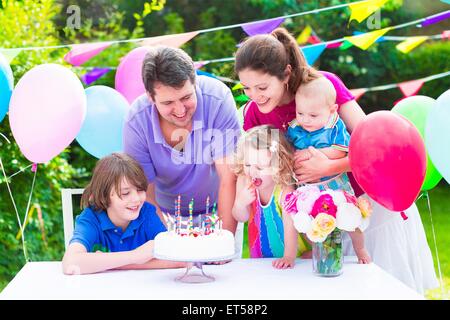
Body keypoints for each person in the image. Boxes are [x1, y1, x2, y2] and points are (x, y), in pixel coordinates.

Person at [234, 27, 438, 293]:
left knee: (380, 287)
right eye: (246, 87)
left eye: (262, 87)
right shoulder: (254, 115)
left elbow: (375, 145)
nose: (254, 95)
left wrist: (331, 166)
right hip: (318, 218)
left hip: (364, 205)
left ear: (285, 74)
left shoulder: (323, 86)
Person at [123, 46, 240, 241]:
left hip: (221, 210)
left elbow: (229, 178)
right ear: (151, 97)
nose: (180, 110)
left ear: (195, 83)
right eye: (168, 103)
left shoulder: (218, 98)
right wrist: (169, 245)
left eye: (186, 97)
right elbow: (145, 197)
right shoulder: (136, 121)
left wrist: (223, 243)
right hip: (164, 216)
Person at [286, 77, 371, 264]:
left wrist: (309, 154)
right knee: (311, 222)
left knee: (350, 219)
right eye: (300, 113)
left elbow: (340, 151)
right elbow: (290, 150)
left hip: (335, 184)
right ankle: (318, 250)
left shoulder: (334, 126)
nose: (305, 120)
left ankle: (360, 249)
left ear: (331, 110)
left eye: (313, 116)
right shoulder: (295, 128)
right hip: (309, 188)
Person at [62, 153, 186, 275]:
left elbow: (179, 259)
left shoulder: (146, 214)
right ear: (104, 197)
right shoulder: (91, 219)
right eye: (125, 193)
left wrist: (109, 263)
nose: (136, 199)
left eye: (140, 190)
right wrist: (135, 256)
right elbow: (70, 263)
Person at [231, 125, 309, 269]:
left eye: (260, 167)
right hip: (259, 256)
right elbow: (241, 217)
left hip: (292, 255)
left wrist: (289, 256)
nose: (252, 171)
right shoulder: (244, 180)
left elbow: (290, 225)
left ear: (279, 166)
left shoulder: (284, 190)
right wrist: (240, 203)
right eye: (248, 164)